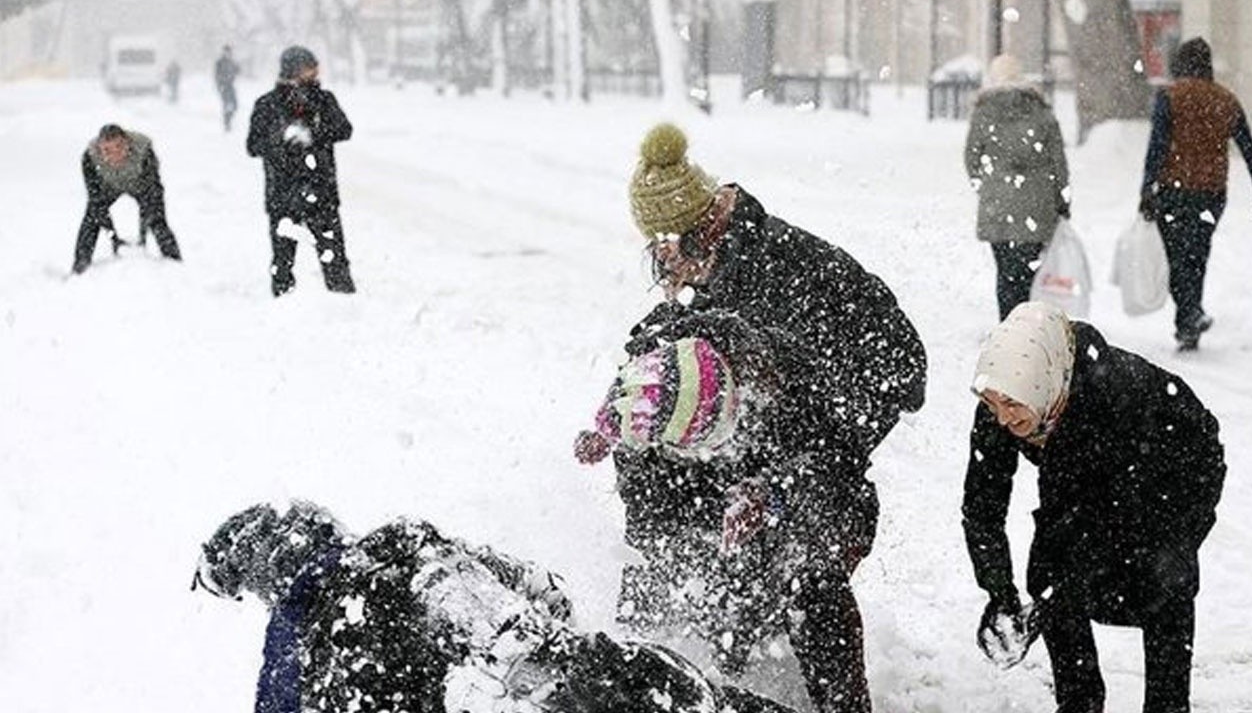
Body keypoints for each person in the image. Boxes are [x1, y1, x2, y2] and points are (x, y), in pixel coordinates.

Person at [193, 500, 797, 713]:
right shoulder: (399, 540)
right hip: (561, 665)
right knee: (646, 687)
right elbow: (532, 585)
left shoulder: (316, 648)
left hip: (518, 676)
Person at [576, 309, 879, 713]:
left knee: (808, 578)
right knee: (711, 599)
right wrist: (636, 640)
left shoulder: (790, 374)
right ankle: (729, 668)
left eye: (725, 431)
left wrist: (773, 494)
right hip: (707, 495)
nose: (726, 445)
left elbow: (842, 470)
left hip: (812, 499)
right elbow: (647, 547)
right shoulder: (643, 423)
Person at [961, 301, 1226, 713]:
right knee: (1049, 573)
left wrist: (1049, 600)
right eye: (993, 405)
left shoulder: (1110, 394)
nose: (1002, 419)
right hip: (1095, 476)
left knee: (1163, 578)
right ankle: (1080, 701)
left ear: (1043, 385)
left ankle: (1168, 704)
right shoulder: (1006, 397)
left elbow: (1093, 514)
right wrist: (999, 593)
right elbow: (982, 507)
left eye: (1012, 408)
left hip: (1175, 467)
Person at [629, 123, 926, 453]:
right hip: (830, 378)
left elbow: (800, 370)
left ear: (700, 228)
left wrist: (775, 489)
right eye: (654, 244)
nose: (662, 258)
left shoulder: (773, 265)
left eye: (667, 242)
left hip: (872, 380)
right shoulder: (726, 253)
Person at [1139, 37, 1252, 351]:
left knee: (1177, 259)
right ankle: (1191, 319)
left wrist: (1146, 188)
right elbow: (1250, 150)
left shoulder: (1170, 97)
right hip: (1211, 194)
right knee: (1197, 256)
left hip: (1173, 192)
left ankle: (1189, 316)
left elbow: (1157, 147)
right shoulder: (1225, 100)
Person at [964, 53, 1071, 320]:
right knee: (1027, 273)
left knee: (1005, 272)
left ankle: (1007, 324)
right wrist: (1062, 199)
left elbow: (971, 157)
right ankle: (1025, 324)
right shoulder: (1041, 110)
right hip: (1037, 203)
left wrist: (988, 186)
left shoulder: (984, 111)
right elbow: (1058, 161)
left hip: (998, 205)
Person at [247, 46, 356, 296]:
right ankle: (284, 308)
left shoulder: (324, 100)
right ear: (294, 70)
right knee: (283, 261)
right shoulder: (267, 104)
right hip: (282, 196)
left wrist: (312, 135)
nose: (316, 72)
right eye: (310, 66)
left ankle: (345, 307)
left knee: (334, 258)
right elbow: (253, 146)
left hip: (322, 193)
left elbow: (344, 129)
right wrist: (281, 140)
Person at [73, 124, 182, 274]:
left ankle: (175, 263)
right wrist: (114, 238)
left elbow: (153, 193)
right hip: (108, 186)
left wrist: (142, 236)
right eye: (107, 151)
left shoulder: (144, 151)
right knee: (91, 218)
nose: (115, 154)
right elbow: (96, 201)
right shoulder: (89, 158)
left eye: (119, 147)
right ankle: (80, 266)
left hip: (140, 184)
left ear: (128, 143)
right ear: (99, 149)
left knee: (157, 219)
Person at [215, 45, 240, 131]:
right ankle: (227, 123)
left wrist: (237, 68)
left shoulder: (232, 62)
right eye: (226, 51)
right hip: (224, 86)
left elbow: (237, 71)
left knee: (235, 105)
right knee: (226, 104)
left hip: (231, 86)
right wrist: (219, 86)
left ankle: (228, 120)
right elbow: (216, 75)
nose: (227, 54)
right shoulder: (220, 62)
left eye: (229, 52)